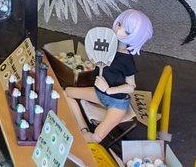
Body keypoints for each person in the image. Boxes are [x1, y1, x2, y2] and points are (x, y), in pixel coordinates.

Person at [65, 9, 153, 143]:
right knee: (66, 93)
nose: (119, 31)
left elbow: (131, 86)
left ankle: (79, 139)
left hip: (117, 103)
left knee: (96, 137)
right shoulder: (109, 47)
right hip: (99, 94)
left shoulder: (127, 60)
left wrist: (109, 89)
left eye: (127, 32)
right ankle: (83, 128)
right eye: (119, 24)